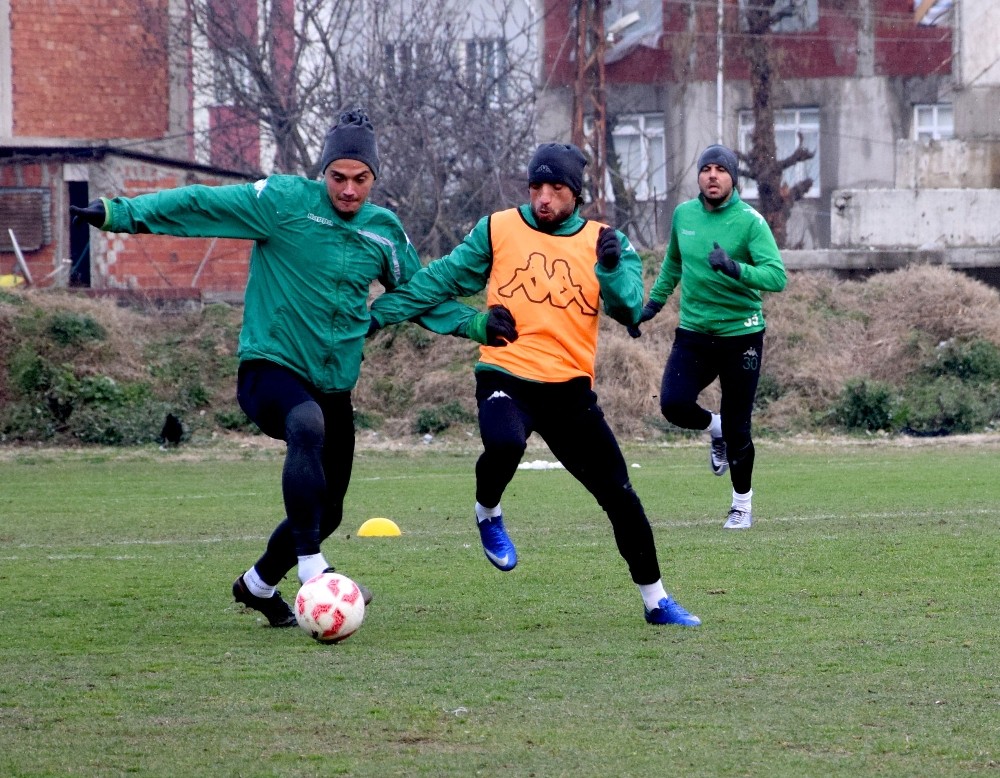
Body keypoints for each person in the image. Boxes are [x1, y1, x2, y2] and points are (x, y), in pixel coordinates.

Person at [70, 110, 504, 628]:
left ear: (374, 178)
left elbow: (418, 296)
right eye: (338, 177)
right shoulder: (281, 202)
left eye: (359, 179)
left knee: (330, 512)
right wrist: (121, 213)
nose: (347, 189)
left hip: (335, 384)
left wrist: (475, 326)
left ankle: (257, 585)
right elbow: (202, 204)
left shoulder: (384, 231)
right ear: (323, 172)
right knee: (306, 425)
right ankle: (313, 569)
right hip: (269, 368)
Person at [368, 143, 701, 627]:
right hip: (506, 371)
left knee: (620, 495)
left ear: (576, 193)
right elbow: (437, 281)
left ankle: (657, 602)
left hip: (569, 391)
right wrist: (375, 318)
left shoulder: (607, 241)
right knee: (504, 441)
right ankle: (488, 512)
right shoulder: (498, 227)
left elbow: (630, 309)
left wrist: (608, 270)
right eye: (536, 187)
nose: (544, 198)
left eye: (556, 188)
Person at [628, 144, 787, 530]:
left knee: (740, 429)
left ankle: (741, 505)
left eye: (720, 169)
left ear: (733, 178)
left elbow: (776, 277)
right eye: (706, 169)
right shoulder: (683, 215)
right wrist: (651, 307)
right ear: (698, 176)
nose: (712, 175)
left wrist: (735, 268)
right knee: (673, 404)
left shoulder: (751, 222)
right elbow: (672, 267)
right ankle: (713, 428)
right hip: (695, 334)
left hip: (741, 335)